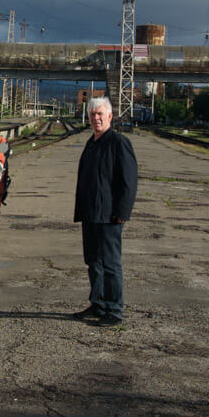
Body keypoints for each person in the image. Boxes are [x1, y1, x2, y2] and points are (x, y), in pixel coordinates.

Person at [72, 96, 138, 327]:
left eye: (100, 114)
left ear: (110, 116)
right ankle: (98, 303)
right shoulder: (92, 142)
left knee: (110, 263)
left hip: (110, 215)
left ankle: (114, 309)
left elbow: (129, 181)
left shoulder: (118, 143)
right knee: (93, 261)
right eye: (92, 115)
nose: (96, 118)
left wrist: (123, 212)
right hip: (90, 213)